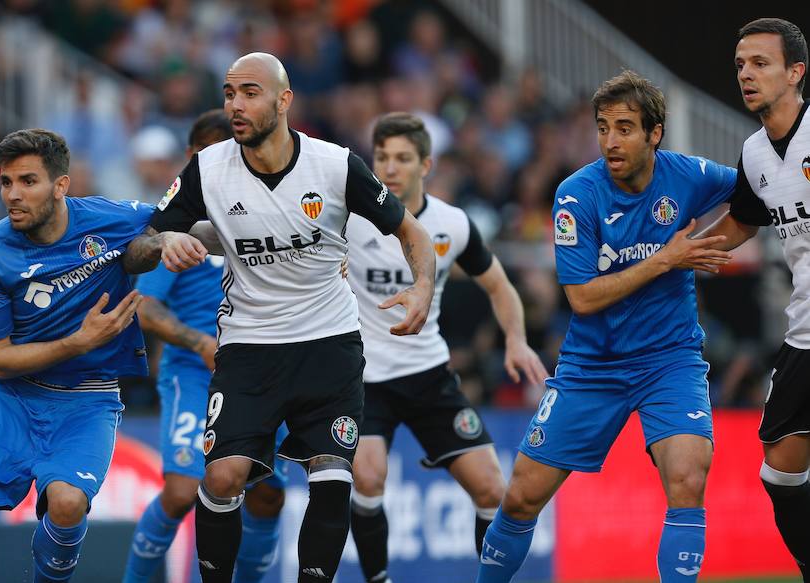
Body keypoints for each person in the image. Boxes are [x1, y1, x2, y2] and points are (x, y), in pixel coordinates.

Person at [125, 52, 436, 583]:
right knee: (222, 478)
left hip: (329, 343)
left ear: (284, 100)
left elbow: (413, 232)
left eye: (250, 92)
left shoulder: (335, 165)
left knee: (333, 477)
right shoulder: (208, 168)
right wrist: (167, 240)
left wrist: (422, 288)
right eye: (229, 93)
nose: (236, 104)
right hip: (248, 346)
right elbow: (140, 247)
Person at [476, 70, 740, 583]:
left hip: (670, 359)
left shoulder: (690, 176)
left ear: (654, 134)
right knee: (524, 493)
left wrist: (710, 244)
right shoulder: (578, 195)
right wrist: (667, 260)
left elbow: (753, 195)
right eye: (603, 128)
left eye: (624, 128)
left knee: (688, 476)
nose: (611, 141)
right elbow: (581, 297)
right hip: (592, 364)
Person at [0, 129, 155, 582]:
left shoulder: (109, 218)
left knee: (66, 503)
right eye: (6, 182)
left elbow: (174, 223)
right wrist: (78, 342)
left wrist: (175, 238)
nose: (13, 195)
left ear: (61, 186)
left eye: (28, 181)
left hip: (88, 399)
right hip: (12, 399)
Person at [346, 112, 548, 583]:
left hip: (429, 376)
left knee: (491, 489)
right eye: (382, 158)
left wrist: (515, 341)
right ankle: (378, 579)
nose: (390, 169)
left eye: (402, 158)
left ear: (426, 165)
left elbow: (500, 286)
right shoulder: (350, 220)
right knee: (369, 476)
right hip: (363, 378)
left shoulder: (452, 224)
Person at [124, 109, 289, 583]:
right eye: (214, 151)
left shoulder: (268, 215)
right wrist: (198, 341)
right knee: (181, 491)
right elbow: (144, 307)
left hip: (260, 375)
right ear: (194, 157)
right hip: (195, 373)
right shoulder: (175, 225)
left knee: (266, 494)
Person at [699, 17, 809, 579]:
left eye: (760, 63)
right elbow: (744, 219)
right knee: (780, 472)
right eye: (740, 64)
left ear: (796, 72)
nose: (746, 74)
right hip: (803, 334)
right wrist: (679, 255)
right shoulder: (756, 152)